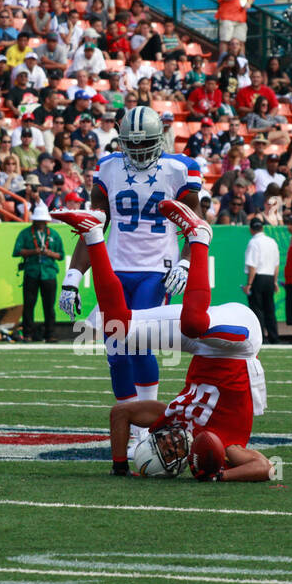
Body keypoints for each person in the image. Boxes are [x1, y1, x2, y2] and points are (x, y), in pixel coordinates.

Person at [53, 201, 273, 481]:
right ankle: (199, 237)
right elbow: (266, 467)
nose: (170, 443)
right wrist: (219, 476)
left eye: (160, 444)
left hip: (203, 344)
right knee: (194, 323)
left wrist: (120, 465)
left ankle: (93, 233)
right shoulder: (226, 450)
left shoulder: (169, 419)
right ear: (178, 464)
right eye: (169, 453)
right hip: (240, 346)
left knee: (117, 326)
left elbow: (119, 414)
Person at [59, 106, 201, 456]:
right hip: (116, 269)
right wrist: (73, 277)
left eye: (145, 144)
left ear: (160, 139)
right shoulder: (107, 168)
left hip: (157, 268)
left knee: (139, 343)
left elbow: (195, 223)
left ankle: (149, 424)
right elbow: (93, 227)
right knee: (117, 352)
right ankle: (131, 423)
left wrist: (185, 261)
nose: (137, 151)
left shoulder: (179, 168)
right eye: (131, 145)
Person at [13, 202, 64, 342]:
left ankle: (50, 334)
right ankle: (27, 334)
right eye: (38, 221)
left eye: (43, 221)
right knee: (29, 305)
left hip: (49, 273)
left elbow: (61, 255)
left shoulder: (54, 234)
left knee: (49, 305)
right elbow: (17, 251)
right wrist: (33, 252)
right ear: (34, 220)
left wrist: (49, 253)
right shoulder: (25, 234)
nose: (41, 223)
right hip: (32, 272)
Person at [243, 219, 280, 344]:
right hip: (270, 277)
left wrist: (249, 284)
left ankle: (261, 338)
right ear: (263, 228)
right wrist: (275, 282)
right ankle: (274, 337)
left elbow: (252, 266)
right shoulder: (272, 242)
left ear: (251, 229)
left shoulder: (253, 242)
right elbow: (276, 265)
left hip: (258, 278)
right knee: (270, 309)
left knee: (257, 309)